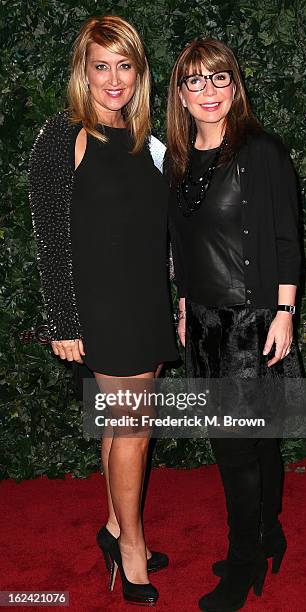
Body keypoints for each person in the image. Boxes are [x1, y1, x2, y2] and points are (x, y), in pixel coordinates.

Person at [29, 15, 178, 607]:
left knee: (121, 427)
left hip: (147, 301)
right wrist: (63, 323)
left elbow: (161, 234)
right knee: (134, 431)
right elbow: (50, 236)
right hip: (100, 307)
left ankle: (115, 527)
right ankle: (133, 548)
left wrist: (178, 298)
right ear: (83, 72)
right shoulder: (62, 135)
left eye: (124, 65)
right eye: (101, 66)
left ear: (138, 71)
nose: (112, 78)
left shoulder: (150, 141)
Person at [166, 38, 303, 611]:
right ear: (179, 93)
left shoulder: (261, 151)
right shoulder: (177, 158)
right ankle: (269, 536)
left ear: (234, 85)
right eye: (195, 81)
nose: (208, 91)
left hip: (251, 323)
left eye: (218, 78)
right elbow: (181, 244)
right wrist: (181, 306)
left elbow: (286, 236)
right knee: (255, 441)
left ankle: (245, 562)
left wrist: (284, 313)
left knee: (239, 447)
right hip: (202, 322)